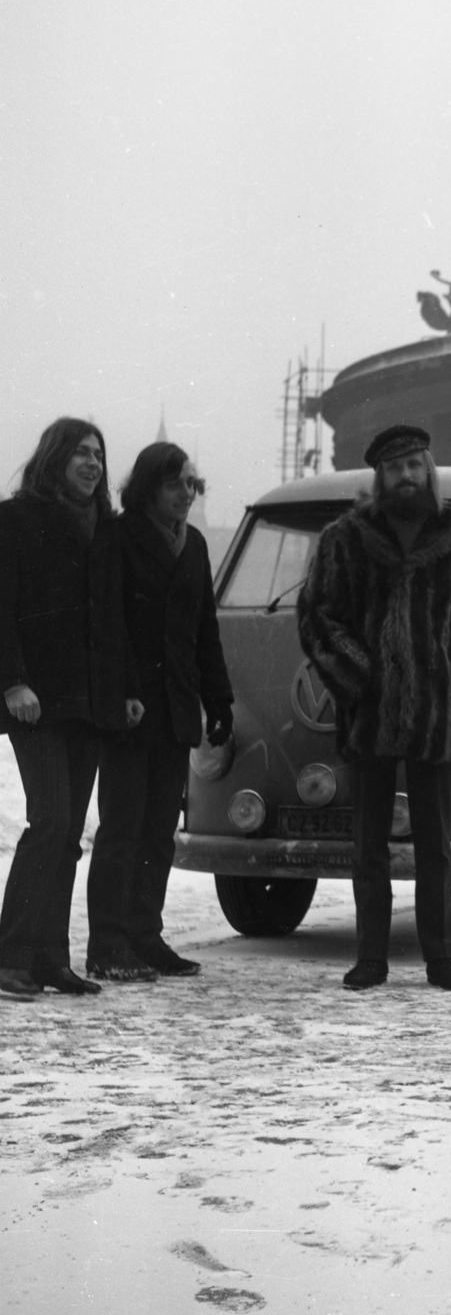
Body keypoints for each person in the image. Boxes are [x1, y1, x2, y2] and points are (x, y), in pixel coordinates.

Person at [296, 425, 451, 992]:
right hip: (370, 713)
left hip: (439, 714)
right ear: (379, 478)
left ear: (429, 471)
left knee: (435, 843)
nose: (406, 476)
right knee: (368, 845)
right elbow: (316, 616)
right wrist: (360, 677)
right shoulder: (345, 539)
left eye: (414, 465)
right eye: (394, 468)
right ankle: (371, 957)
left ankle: (441, 956)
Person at [0, 419, 143, 999]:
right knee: (51, 821)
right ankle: (11, 953)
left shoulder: (105, 532)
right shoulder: (14, 520)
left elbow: (115, 621)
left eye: (99, 455)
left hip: (90, 699)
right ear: (55, 457)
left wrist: (128, 688)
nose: (92, 463)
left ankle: (50, 958)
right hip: (35, 699)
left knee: (67, 835)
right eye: (81, 452)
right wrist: (11, 681)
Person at [86, 443, 233, 983]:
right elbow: (107, 624)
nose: (186, 494)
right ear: (148, 486)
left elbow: (204, 630)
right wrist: (122, 689)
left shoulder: (193, 545)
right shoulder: (118, 537)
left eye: (193, 485)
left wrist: (219, 701)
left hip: (176, 710)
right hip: (129, 709)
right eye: (176, 484)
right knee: (122, 829)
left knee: (157, 833)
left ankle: (146, 938)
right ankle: (107, 944)